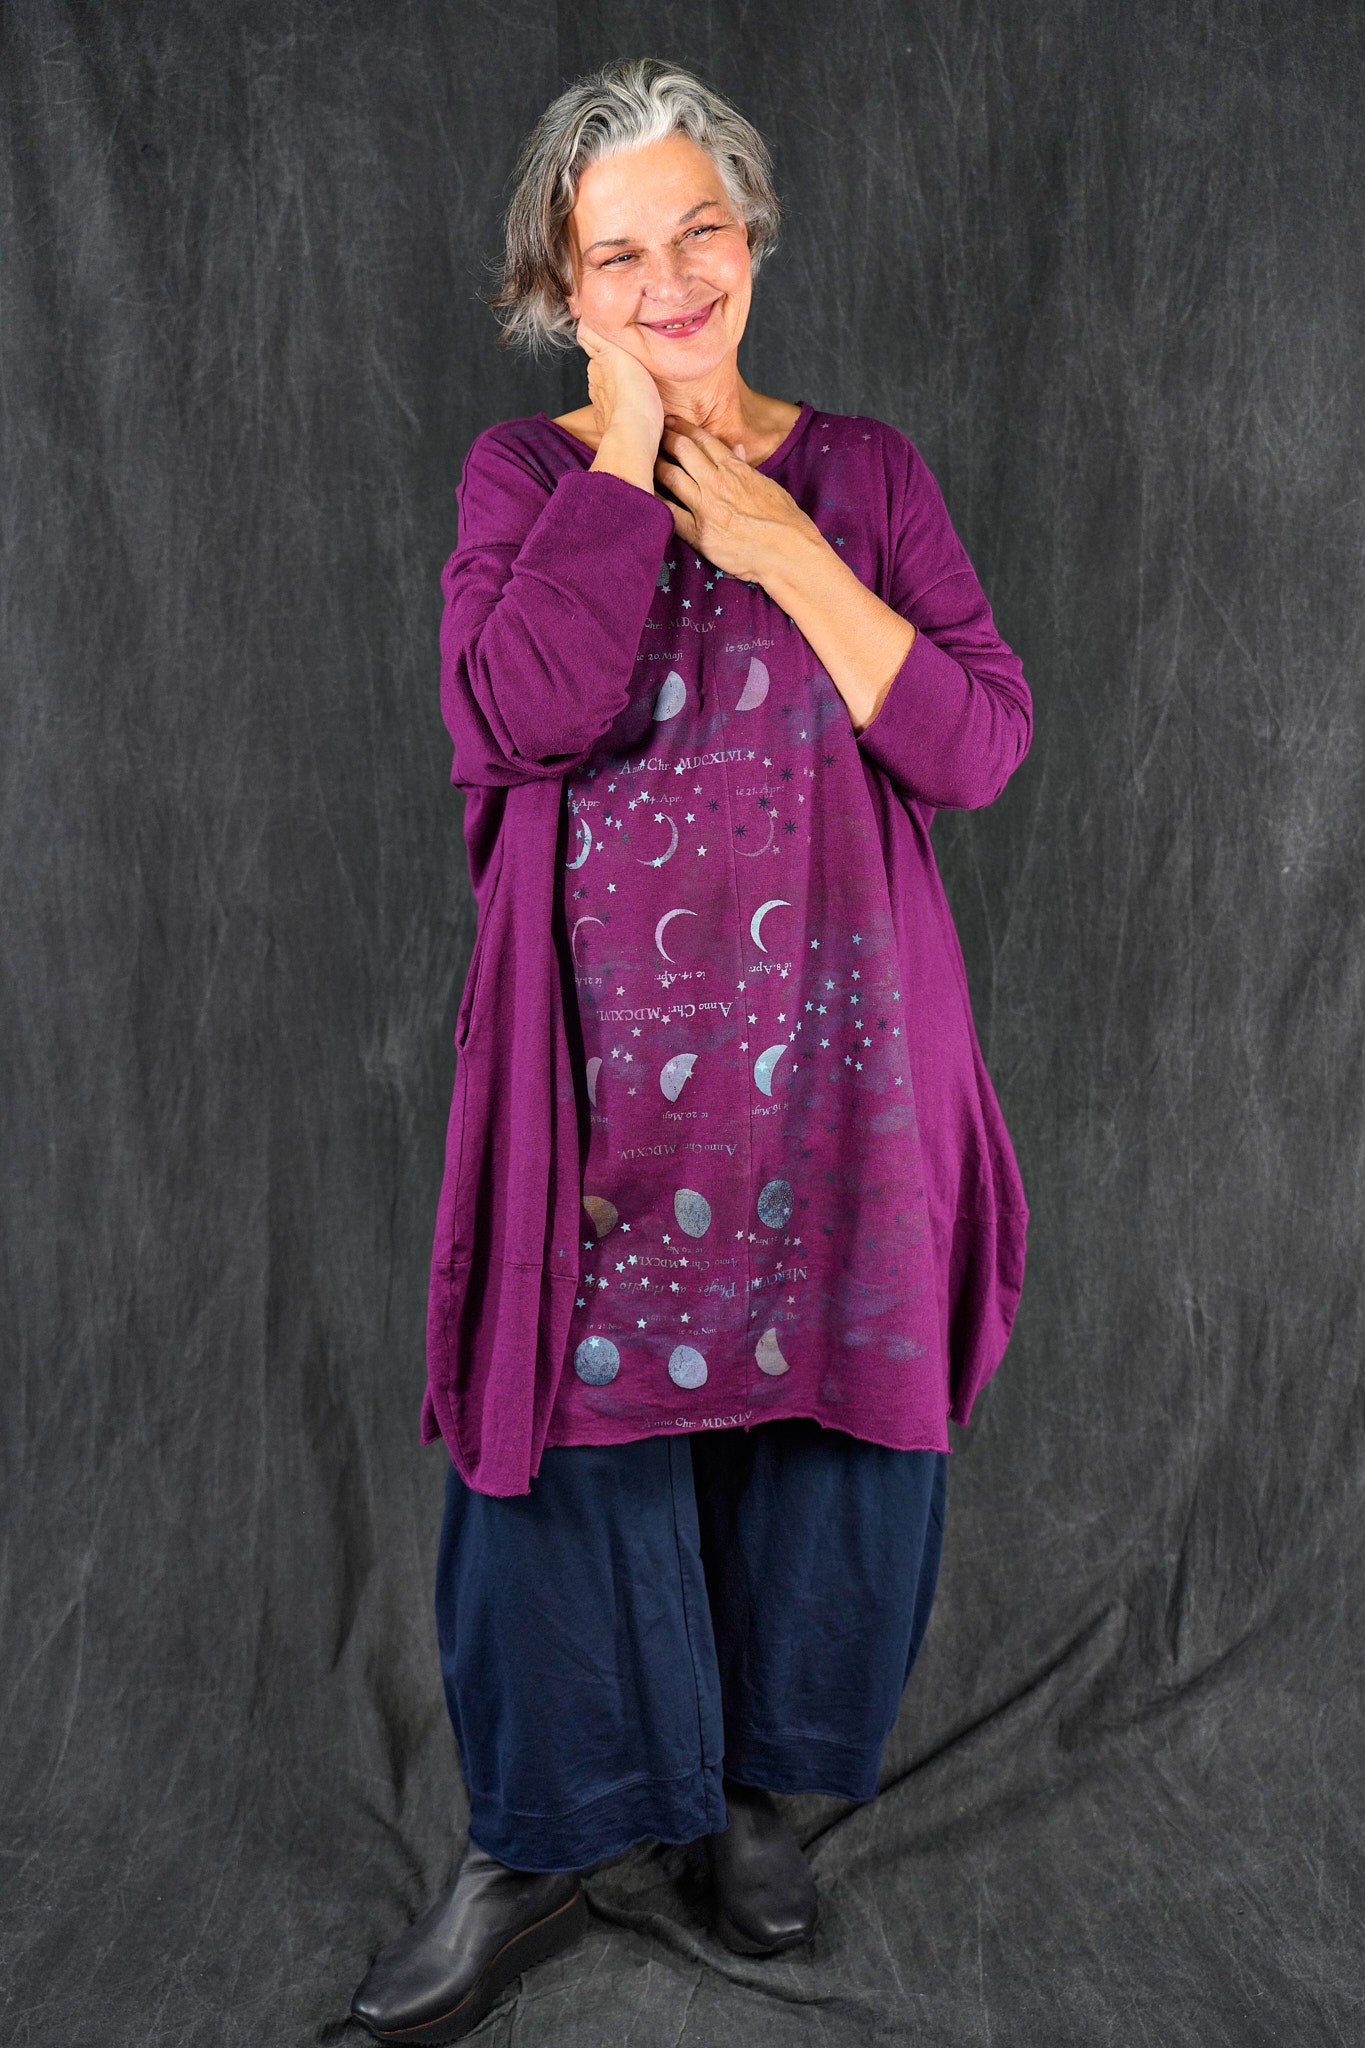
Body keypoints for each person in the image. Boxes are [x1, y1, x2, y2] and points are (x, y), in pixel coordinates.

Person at [351, 54, 1033, 2046]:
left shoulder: (866, 477)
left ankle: (752, 1802)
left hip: (837, 1078)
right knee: (552, 1459)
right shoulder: (523, 482)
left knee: (816, 1448)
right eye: (616, 255)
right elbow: (520, 714)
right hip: (590, 1091)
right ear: (559, 289)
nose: (669, 281)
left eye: (699, 232)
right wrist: (630, 457)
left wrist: (782, 548)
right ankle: (535, 1837)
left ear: (752, 239)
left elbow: (976, 744)